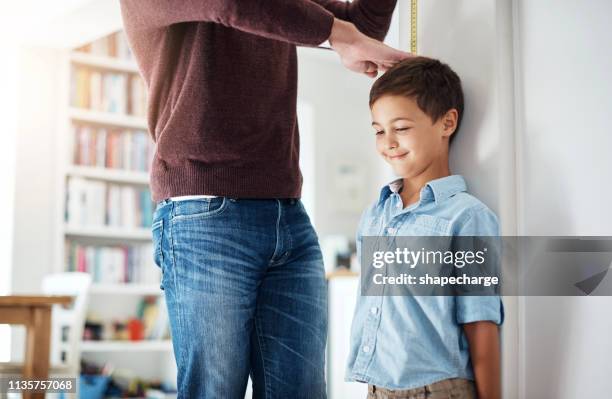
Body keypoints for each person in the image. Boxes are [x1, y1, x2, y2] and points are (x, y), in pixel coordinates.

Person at [119, 1, 411, 398]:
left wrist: (349, 35)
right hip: (204, 217)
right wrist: (343, 37)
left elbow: (362, 26)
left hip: (287, 215)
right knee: (215, 391)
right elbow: (231, 4)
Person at [345, 56, 504, 399]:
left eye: (400, 128)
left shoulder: (467, 217)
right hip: (377, 387)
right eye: (378, 130)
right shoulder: (376, 213)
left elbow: (481, 322)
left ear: (447, 123)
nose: (387, 142)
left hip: (437, 389)